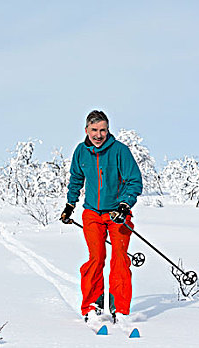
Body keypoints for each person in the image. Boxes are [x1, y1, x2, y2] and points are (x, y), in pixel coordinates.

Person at [60, 110, 143, 322]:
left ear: (108, 130)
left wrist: (124, 206)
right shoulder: (81, 151)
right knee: (96, 258)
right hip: (92, 214)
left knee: (120, 259)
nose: (99, 135)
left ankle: (121, 309)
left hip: (118, 214)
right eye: (94, 130)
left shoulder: (119, 151)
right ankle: (91, 305)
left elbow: (134, 180)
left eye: (103, 130)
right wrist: (70, 205)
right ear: (86, 130)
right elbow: (76, 179)